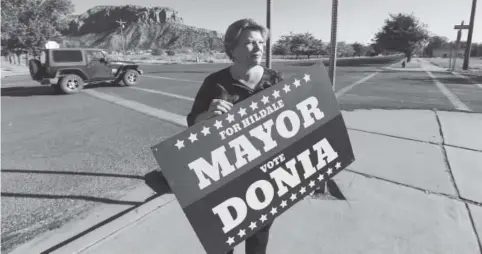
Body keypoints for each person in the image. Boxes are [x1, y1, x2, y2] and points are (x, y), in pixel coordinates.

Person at [186, 18, 283, 254]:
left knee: (259, 236)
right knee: (223, 234)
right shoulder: (215, 83)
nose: (258, 48)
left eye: (261, 42)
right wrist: (207, 116)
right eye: (249, 43)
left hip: (263, 171)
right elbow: (192, 122)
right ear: (232, 49)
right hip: (225, 173)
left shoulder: (275, 80)